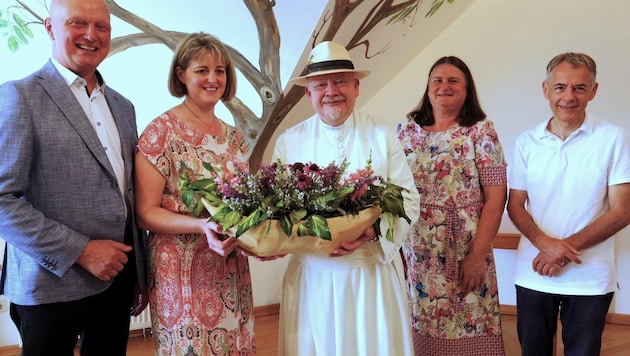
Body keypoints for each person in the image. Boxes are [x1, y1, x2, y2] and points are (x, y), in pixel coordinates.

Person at [0, 0, 147, 354]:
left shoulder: (124, 106)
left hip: (117, 277)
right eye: (78, 23)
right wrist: (80, 250)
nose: (91, 35)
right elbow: (3, 201)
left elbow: (126, 193)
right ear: (51, 28)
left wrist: (139, 274)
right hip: (51, 283)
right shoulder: (20, 96)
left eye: (102, 27)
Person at [272, 40, 421, 356]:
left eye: (340, 81)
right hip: (311, 277)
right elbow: (275, 210)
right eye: (321, 84)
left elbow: (408, 200)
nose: (331, 91)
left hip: (370, 273)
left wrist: (371, 232)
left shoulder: (383, 136)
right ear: (307, 93)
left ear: (356, 87)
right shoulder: (289, 142)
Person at [134, 32, 256, 355]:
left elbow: (244, 205)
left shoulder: (235, 139)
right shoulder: (161, 132)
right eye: (202, 70)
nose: (213, 78)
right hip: (181, 275)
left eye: (220, 70)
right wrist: (201, 226)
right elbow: (144, 211)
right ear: (181, 75)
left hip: (230, 271)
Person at [507, 52, 630, 356]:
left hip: (590, 277)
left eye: (579, 87)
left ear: (593, 91)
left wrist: (560, 250)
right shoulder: (526, 141)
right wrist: (544, 244)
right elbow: (516, 205)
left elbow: (622, 211)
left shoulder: (614, 138)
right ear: (545, 89)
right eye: (560, 87)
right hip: (533, 271)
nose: (568, 96)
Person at [397, 56, 507, 355]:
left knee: (471, 317)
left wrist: (477, 256)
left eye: (453, 80)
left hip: (466, 249)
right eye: (438, 80)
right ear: (428, 88)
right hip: (419, 254)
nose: (444, 86)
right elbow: (394, 193)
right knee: (422, 321)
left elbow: (496, 197)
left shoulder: (481, 132)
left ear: (467, 89)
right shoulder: (406, 132)